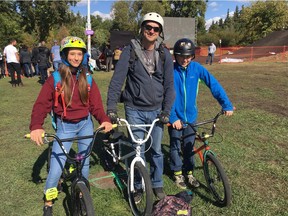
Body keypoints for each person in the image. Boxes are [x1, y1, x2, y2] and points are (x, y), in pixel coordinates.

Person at [28, 36, 113, 215]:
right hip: (65, 126)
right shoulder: (55, 79)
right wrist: (36, 126)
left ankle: (82, 194)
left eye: (79, 54)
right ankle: (48, 201)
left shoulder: (87, 78)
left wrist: (104, 119)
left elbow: (95, 105)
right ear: (65, 55)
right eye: (72, 54)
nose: (76, 57)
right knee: (57, 167)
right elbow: (41, 104)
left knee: (85, 162)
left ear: (84, 56)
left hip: (85, 125)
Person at [107, 12, 175, 200]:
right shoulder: (130, 51)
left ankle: (157, 183)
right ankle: (137, 185)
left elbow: (170, 85)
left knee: (156, 151)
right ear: (142, 28)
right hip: (134, 109)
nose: (151, 31)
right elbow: (116, 81)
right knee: (136, 150)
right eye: (148, 27)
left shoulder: (164, 54)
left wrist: (166, 110)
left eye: (156, 28)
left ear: (159, 32)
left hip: (156, 111)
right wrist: (111, 108)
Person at [169, 38, 234, 189]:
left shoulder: (197, 69)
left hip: (191, 117)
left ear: (192, 56)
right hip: (175, 117)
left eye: (188, 56)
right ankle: (177, 174)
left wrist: (226, 104)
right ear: (175, 56)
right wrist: (172, 117)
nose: (185, 60)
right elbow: (165, 95)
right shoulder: (170, 71)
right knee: (175, 146)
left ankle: (189, 173)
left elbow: (214, 85)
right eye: (181, 56)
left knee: (189, 145)